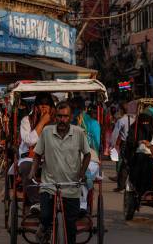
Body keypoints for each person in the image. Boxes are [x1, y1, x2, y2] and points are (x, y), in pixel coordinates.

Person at [29, 102, 91, 244]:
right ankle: (44, 228)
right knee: (45, 216)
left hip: (71, 186)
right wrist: (33, 170)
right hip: (49, 185)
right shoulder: (46, 132)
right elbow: (37, 155)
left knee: (70, 225)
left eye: (65, 116)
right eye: (59, 116)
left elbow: (87, 154)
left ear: (70, 117)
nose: (62, 119)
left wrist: (82, 172)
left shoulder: (78, 133)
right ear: (55, 117)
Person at [19, 93, 54, 213]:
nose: (43, 108)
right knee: (26, 168)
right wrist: (42, 122)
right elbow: (30, 141)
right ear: (36, 107)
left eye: (46, 105)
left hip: (50, 157)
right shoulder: (26, 120)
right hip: (30, 157)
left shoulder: (56, 121)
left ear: (51, 107)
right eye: (41, 105)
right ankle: (36, 201)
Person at [71, 97, 101, 215]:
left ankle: (82, 204)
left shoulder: (92, 123)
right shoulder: (93, 123)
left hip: (88, 158)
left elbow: (96, 146)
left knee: (84, 174)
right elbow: (97, 145)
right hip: (71, 157)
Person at [125, 112, 153, 196]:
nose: (145, 124)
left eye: (147, 122)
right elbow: (130, 142)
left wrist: (150, 144)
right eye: (143, 122)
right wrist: (139, 142)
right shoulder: (133, 128)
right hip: (136, 154)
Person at [110, 101, 135, 192]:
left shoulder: (121, 120)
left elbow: (115, 134)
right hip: (134, 144)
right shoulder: (134, 119)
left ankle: (121, 186)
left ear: (121, 110)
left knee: (124, 165)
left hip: (125, 144)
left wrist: (112, 145)